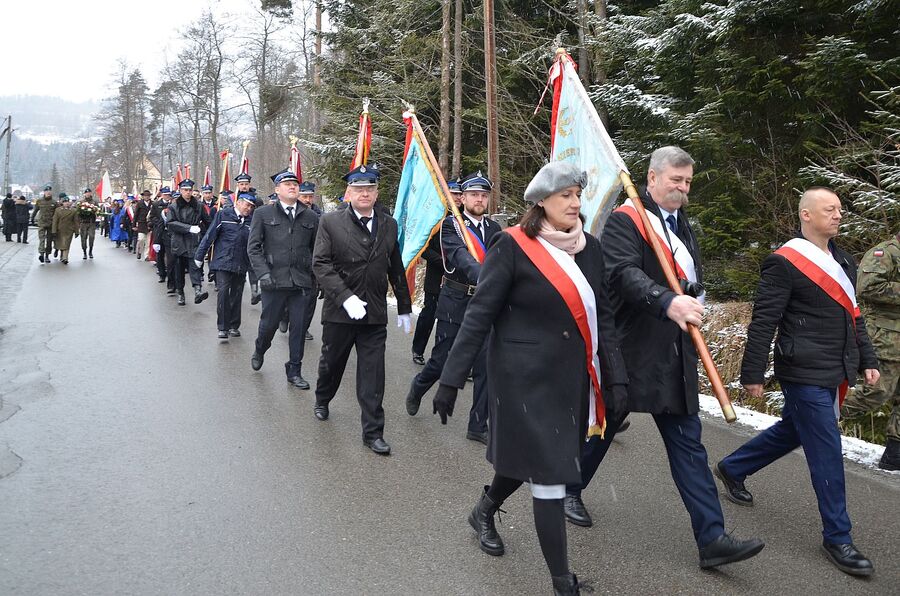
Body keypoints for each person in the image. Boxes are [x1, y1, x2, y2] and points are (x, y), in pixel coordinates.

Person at [430, 162, 625, 595]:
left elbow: (605, 319)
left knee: (532, 461)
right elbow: (480, 314)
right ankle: (562, 581)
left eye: (578, 195)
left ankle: (484, 509)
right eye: (565, 195)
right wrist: (450, 379)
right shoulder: (513, 245)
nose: (575, 203)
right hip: (522, 381)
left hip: (570, 381)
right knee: (551, 476)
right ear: (541, 201)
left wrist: (617, 379)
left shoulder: (591, 249)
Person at [571, 146, 765, 569]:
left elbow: (685, 275)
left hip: (675, 351)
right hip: (631, 347)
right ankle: (569, 489)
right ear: (653, 178)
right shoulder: (627, 219)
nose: (682, 188)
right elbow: (622, 274)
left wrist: (691, 297)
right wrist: (665, 301)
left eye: (688, 182)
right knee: (605, 427)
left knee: (689, 445)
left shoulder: (681, 224)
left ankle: (712, 538)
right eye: (676, 180)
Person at [716, 188, 880, 576]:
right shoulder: (785, 261)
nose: (838, 215)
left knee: (794, 429)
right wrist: (752, 372)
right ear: (806, 215)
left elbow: (853, 316)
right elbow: (765, 319)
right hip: (802, 370)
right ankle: (837, 536)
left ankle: (733, 467)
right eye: (830, 209)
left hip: (835, 367)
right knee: (827, 448)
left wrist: (867, 360)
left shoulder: (843, 259)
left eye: (840, 210)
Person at [312, 163, 412, 455]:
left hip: (374, 313)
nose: (364, 193)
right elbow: (320, 264)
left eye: (370, 188)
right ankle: (322, 398)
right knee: (332, 364)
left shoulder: (389, 224)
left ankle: (373, 432)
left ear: (376, 192)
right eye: (358, 189)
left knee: (373, 374)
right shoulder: (330, 222)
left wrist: (404, 305)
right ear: (349, 192)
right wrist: (345, 297)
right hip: (340, 313)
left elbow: (395, 266)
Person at [405, 172, 501, 445]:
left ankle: (477, 424)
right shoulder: (451, 226)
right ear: (464, 198)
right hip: (455, 301)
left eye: (483, 195)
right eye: (474, 195)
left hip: (483, 303)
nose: (479, 199)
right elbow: (460, 256)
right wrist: (485, 276)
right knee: (443, 361)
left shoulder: (495, 229)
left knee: (485, 365)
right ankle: (419, 387)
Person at [247, 170, 318, 388]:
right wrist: (263, 273)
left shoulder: (310, 216)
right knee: (268, 325)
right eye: (287, 184)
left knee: (298, 328)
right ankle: (260, 348)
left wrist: (317, 278)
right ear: (277, 189)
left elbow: (317, 250)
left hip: (300, 282)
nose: (293, 186)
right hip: (274, 281)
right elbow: (253, 248)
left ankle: (294, 370)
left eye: (295, 184)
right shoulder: (262, 214)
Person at [841, 230, 900, 471]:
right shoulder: (884, 253)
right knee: (876, 393)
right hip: (886, 340)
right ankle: (813, 416)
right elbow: (867, 287)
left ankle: (894, 456)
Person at [410, 178, 463, 365]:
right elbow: (423, 247)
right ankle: (418, 350)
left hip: (460, 277)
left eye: (460, 194)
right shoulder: (435, 217)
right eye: (454, 193)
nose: (457, 197)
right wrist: (442, 262)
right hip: (437, 275)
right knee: (429, 315)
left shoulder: (465, 219)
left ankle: (450, 357)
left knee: (455, 319)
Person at [196, 192, 255, 340]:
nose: (249, 209)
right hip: (223, 260)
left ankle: (234, 325)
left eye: (251, 207)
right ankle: (223, 327)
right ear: (238, 203)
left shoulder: (251, 221)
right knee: (223, 292)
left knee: (237, 294)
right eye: (247, 205)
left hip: (241, 262)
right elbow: (210, 235)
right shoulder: (223, 215)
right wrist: (199, 256)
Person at [163, 179, 211, 306]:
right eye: (185, 190)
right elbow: (170, 223)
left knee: (195, 267)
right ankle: (181, 293)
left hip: (194, 241)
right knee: (179, 270)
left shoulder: (199, 206)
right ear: (180, 191)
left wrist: (211, 235)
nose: (188, 192)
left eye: (190, 190)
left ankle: (198, 290)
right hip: (179, 242)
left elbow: (208, 222)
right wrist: (188, 228)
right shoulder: (173, 206)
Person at [298, 180, 322, 341]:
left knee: (311, 298)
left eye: (310, 196)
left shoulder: (320, 216)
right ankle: (285, 316)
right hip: (294, 265)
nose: (308, 200)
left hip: (313, 263)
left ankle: (303, 328)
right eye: (304, 196)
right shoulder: (290, 215)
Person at [149, 188, 173, 285]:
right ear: (162, 195)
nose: (167, 196)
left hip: (170, 232)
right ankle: (162, 274)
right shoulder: (156, 204)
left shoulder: (173, 204)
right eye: (165, 195)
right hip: (159, 232)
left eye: (169, 195)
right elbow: (151, 217)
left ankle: (170, 276)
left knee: (170, 256)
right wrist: (159, 222)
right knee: (160, 254)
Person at [31, 185, 57, 263]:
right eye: (47, 191)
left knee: (49, 241)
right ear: (44, 192)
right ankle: (41, 254)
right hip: (42, 222)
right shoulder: (39, 201)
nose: (48, 192)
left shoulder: (54, 202)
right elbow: (35, 210)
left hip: (51, 224)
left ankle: (47, 256)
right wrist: (32, 218)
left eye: (50, 191)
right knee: (42, 239)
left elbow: (57, 214)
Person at [51, 196, 78, 265]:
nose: (67, 203)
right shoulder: (58, 210)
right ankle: (62, 256)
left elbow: (76, 221)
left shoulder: (73, 211)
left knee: (66, 244)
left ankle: (65, 258)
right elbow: (55, 221)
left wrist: (77, 231)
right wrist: (54, 231)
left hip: (69, 230)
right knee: (61, 244)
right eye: (65, 202)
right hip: (60, 230)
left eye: (68, 202)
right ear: (62, 203)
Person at [78, 188, 98, 259]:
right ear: (84, 194)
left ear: (91, 193)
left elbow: (97, 210)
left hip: (91, 222)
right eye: (86, 193)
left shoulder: (94, 202)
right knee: (83, 238)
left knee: (91, 237)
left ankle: (90, 251)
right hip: (83, 223)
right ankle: (84, 252)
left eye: (89, 192)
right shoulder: (81, 202)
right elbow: (77, 212)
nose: (88, 194)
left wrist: (94, 210)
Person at [133, 190, 153, 260]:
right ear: (143, 196)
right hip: (141, 223)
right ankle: (139, 251)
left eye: (148, 196)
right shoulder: (139, 203)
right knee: (141, 239)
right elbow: (136, 214)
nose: (146, 197)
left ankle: (146, 255)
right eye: (145, 196)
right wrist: (134, 225)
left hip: (150, 224)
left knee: (148, 241)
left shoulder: (152, 203)